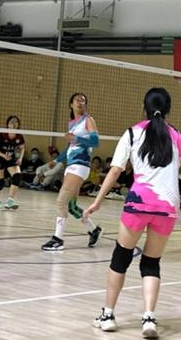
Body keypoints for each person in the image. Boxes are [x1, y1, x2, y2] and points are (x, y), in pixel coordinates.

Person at [84, 87, 181, 338]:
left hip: (139, 203)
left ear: (144, 107)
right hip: (168, 206)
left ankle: (108, 315)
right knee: (151, 263)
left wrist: (98, 201)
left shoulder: (133, 133)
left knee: (120, 258)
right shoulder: (178, 136)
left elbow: (115, 170)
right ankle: (149, 319)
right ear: (168, 109)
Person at [41, 93, 103, 251]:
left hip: (80, 165)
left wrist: (76, 138)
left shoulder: (88, 120)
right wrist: (57, 160)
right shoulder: (73, 124)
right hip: (71, 164)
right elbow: (70, 147)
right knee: (71, 206)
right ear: (71, 104)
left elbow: (95, 141)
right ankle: (94, 230)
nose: (81, 102)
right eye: (77, 100)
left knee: (61, 201)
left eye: (83, 101)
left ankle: (58, 239)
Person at [0, 116, 25, 210]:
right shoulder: (2, 135)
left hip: (10, 157)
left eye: (16, 121)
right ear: (7, 124)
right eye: (11, 121)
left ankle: (10, 201)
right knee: (0, 182)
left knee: (17, 176)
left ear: (18, 124)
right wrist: (3, 155)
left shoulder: (19, 136)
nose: (14, 123)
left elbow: (22, 148)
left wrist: (20, 158)